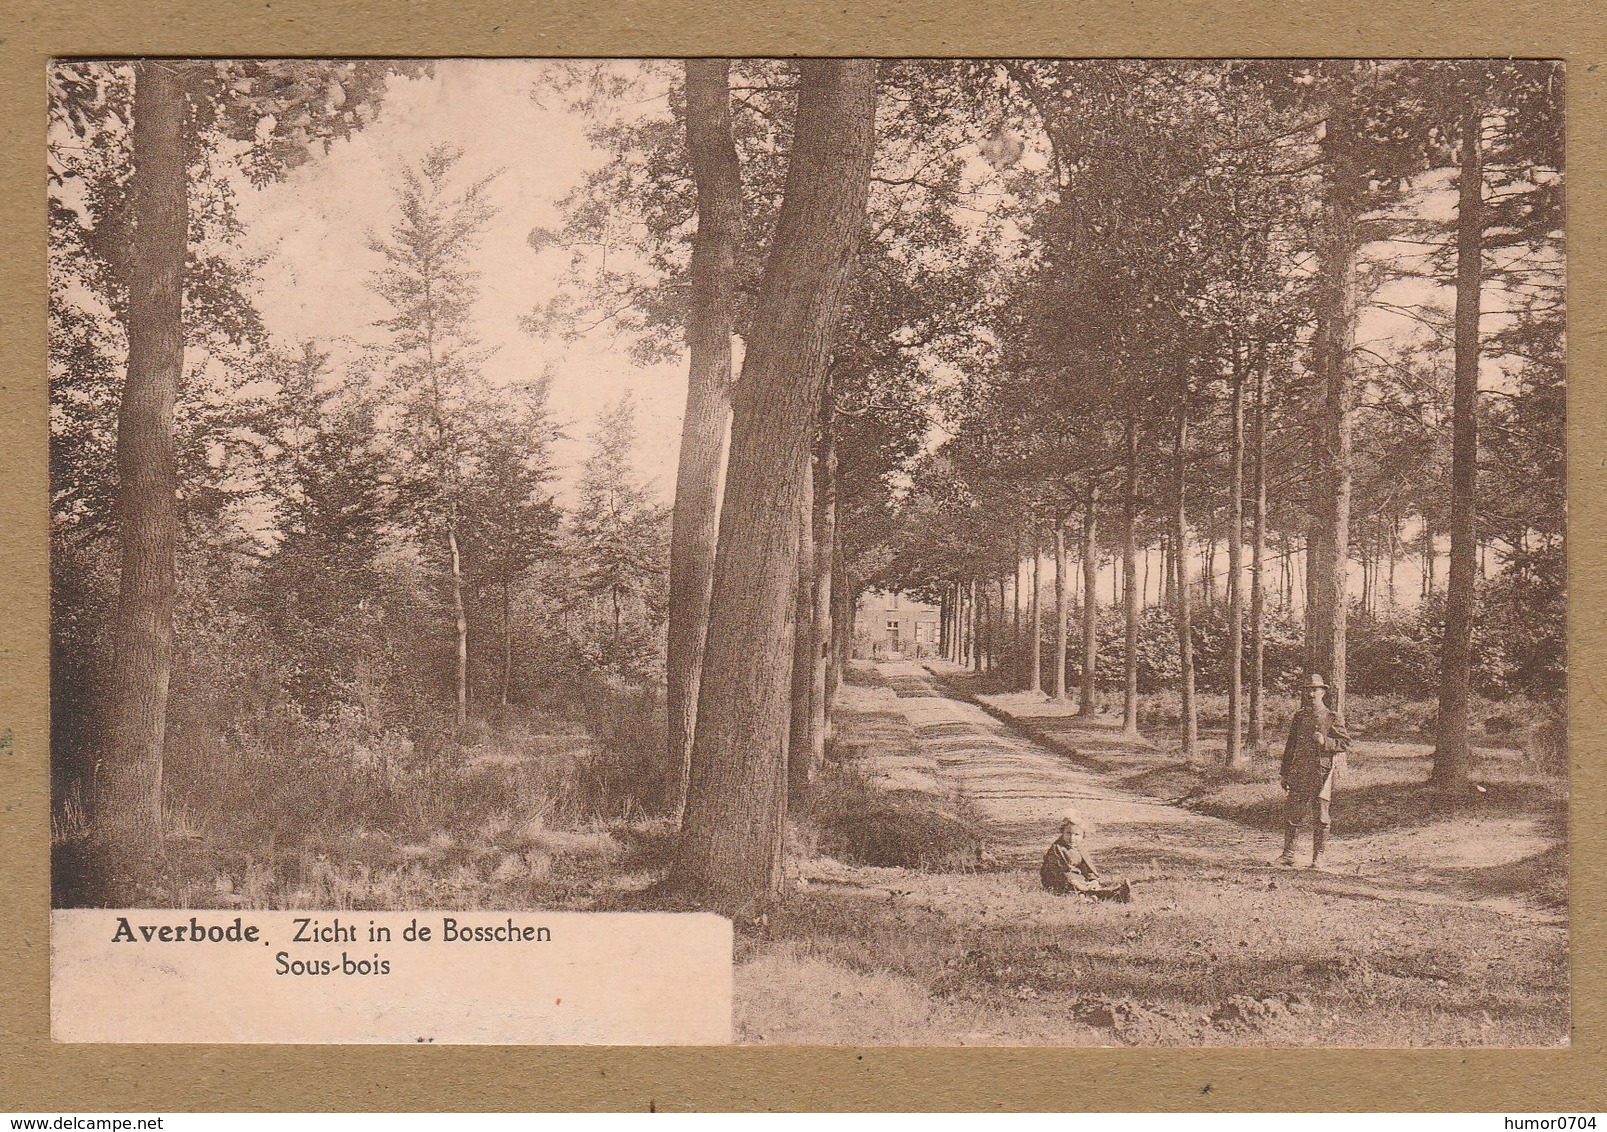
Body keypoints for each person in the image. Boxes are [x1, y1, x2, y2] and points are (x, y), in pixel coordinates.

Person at [1277, 672, 1351, 869]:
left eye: (1315, 690)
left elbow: (1345, 743)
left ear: (1323, 692)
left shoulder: (1331, 716)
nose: (1311, 694)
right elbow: (1290, 746)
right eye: (1308, 690)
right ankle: (1288, 854)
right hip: (1300, 772)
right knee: (1294, 813)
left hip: (1321, 772)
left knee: (1321, 816)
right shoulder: (1300, 717)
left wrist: (1325, 741)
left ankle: (1319, 856)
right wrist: (1284, 772)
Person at [1040, 809, 1131, 901]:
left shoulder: (1079, 848)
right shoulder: (1057, 848)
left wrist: (1093, 880)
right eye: (1068, 833)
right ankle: (1111, 896)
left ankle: (1116, 894)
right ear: (1062, 832)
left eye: (1076, 834)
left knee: (1094, 886)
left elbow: (1087, 867)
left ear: (1083, 836)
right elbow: (1061, 871)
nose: (1072, 838)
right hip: (1059, 881)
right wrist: (1078, 884)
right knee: (1080, 891)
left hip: (1077, 878)